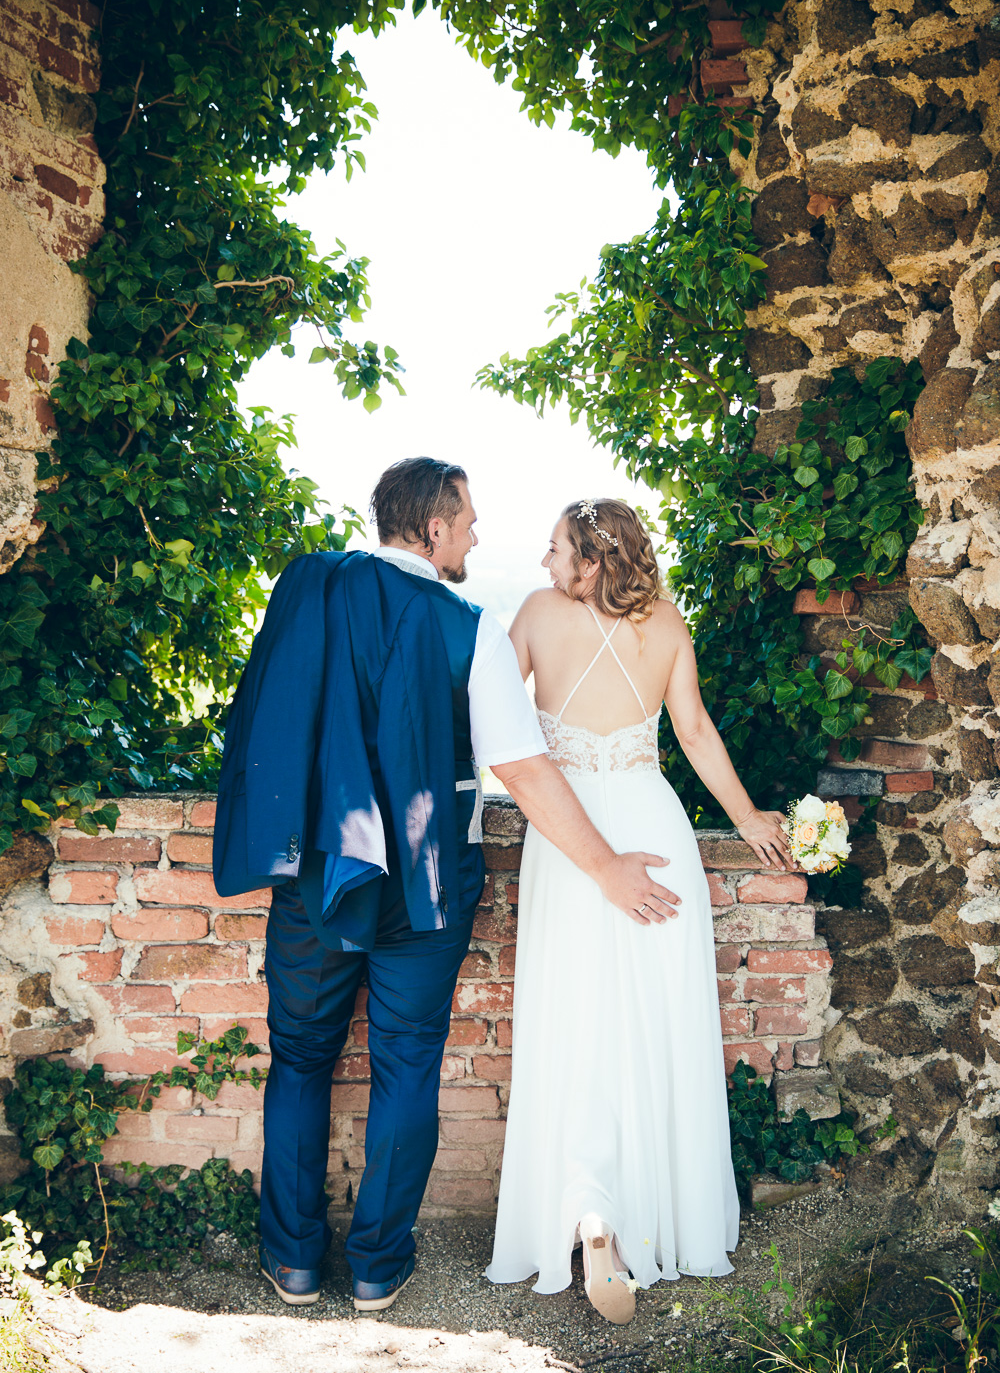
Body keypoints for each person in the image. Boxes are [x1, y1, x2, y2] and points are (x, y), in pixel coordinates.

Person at [213, 460, 680, 1313]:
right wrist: (608, 865)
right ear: (432, 530)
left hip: (318, 873)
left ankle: (293, 1262)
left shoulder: (310, 589)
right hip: (423, 889)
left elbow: (262, 716)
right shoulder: (465, 625)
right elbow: (525, 772)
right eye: (466, 521)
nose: (475, 536)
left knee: (302, 1058)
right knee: (404, 1066)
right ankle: (379, 1267)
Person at [485, 498, 792, 1324]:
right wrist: (748, 819)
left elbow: (488, 717)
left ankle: (590, 1213)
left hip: (569, 837)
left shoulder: (538, 616)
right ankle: (662, 1219)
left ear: (589, 561)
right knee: (657, 1024)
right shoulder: (667, 622)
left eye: (555, 549)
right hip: (654, 829)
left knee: (576, 1018)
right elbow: (692, 732)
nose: (544, 561)